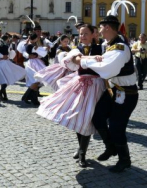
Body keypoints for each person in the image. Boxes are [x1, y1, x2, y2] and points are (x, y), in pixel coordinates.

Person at [73, 0, 138, 173]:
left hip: (127, 94)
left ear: (108, 28)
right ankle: (111, 147)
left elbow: (105, 70)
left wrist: (83, 61)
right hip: (113, 91)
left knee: (117, 127)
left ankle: (125, 160)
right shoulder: (107, 45)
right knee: (97, 116)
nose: (98, 31)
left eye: (100, 28)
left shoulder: (119, 48)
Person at [37, 24, 104, 167]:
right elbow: (72, 60)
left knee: (88, 119)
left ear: (94, 34)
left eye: (86, 33)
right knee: (78, 116)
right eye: (80, 34)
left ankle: (82, 153)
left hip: (96, 86)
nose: (82, 36)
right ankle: (81, 150)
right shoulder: (76, 50)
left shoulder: (102, 48)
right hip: (80, 84)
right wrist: (91, 57)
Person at [0, 35, 26, 100]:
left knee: (3, 79)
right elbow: (12, 55)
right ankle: (1, 93)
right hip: (5, 63)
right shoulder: (7, 46)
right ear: (6, 39)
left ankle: (4, 95)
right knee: (7, 79)